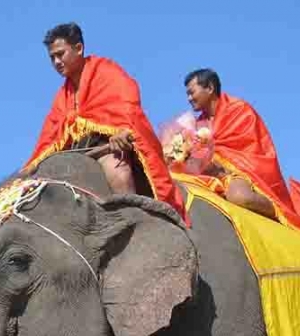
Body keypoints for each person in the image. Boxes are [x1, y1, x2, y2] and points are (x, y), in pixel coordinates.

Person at [21, 23, 185, 220]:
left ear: (79, 48)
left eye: (60, 54)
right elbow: (50, 136)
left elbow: (128, 107)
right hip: (75, 155)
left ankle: (134, 225)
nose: (56, 61)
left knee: (118, 173)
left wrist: (122, 132)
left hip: (107, 149)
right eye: (52, 58)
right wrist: (28, 170)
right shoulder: (61, 96)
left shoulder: (107, 71)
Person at [182, 68, 300, 253]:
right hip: (210, 175)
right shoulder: (197, 124)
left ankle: (280, 212)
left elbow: (250, 150)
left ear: (210, 88)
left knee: (239, 197)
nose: (189, 98)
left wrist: (220, 162)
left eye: (192, 92)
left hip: (239, 172)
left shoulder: (238, 110)